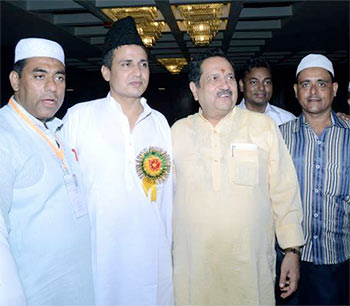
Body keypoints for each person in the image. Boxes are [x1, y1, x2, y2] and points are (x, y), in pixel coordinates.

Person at [171, 48, 304, 305]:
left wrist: (291, 250)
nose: (225, 85)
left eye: (230, 77)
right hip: (195, 270)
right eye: (214, 79)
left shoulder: (262, 127)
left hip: (248, 269)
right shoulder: (178, 132)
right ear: (194, 90)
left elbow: (284, 190)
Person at [63, 17, 173, 305]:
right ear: (105, 72)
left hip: (152, 259)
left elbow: (169, 200)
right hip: (98, 259)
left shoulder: (160, 123)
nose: (137, 72)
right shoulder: (79, 118)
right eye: (126, 64)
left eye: (143, 64)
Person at [0, 38, 94, 305]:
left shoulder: (57, 130)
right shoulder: (4, 135)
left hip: (76, 289)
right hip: (33, 294)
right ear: (16, 81)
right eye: (40, 76)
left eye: (59, 77)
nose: (52, 87)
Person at [279, 54, 350, 305]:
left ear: (334, 89)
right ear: (296, 91)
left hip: (337, 261)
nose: (313, 91)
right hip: (284, 260)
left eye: (321, 83)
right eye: (305, 84)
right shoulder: (278, 137)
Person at [237, 57, 295, 126]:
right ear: (242, 85)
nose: (261, 88)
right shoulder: (228, 118)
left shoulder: (287, 120)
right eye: (254, 82)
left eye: (267, 82)